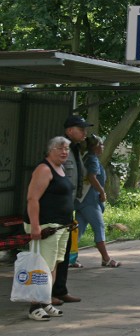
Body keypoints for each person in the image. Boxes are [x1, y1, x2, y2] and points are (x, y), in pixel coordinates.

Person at [23, 136, 75, 321]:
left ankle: (46, 301)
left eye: (67, 149)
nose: (64, 152)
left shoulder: (60, 169)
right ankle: (34, 306)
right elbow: (32, 199)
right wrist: (35, 226)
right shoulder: (44, 169)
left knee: (53, 265)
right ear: (49, 150)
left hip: (60, 226)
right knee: (42, 267)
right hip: (46, 226)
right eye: (60, 148)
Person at [51, 115, 92, 305]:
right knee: (52, 254)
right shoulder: (59, 150)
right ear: (69, 131)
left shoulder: (75, 149)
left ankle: (60, 290)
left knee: (64, 251)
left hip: (69, 207)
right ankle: (47, 293)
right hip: (56, 208)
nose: (85, 132)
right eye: (81, 128)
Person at [74, 134, 120, 267]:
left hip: (81, 200)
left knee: (78, 230)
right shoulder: (93, 159)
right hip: (90, 200)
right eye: (101, 144)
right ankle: (106, 259)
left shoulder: (86, 157)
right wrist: (102, 191)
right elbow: (92, 177)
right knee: (99, 227)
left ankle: (71, 258)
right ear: (96, 146)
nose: (103, 147)